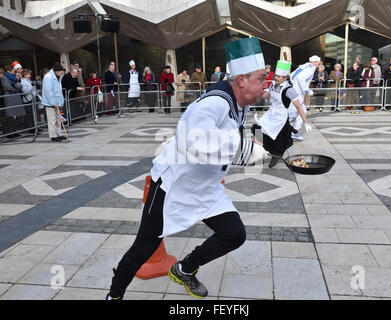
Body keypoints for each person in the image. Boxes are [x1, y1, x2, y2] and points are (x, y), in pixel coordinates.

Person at [106, 37, 270, 301]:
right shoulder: (214, 103)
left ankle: (184, 268)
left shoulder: (240, 102)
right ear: (241, 80)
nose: (266, 84)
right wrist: (248, 151)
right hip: (173, 184)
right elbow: (194, 139)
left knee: (234, 234)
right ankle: (114, 296)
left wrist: (261, 146)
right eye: (261, 78)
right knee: (145, 246)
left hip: (205, 185)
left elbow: (226, 140)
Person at [253, 60, 312, 168]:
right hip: (271, 114)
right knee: (258, 130)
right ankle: (256, 157)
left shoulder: (289, 90)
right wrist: (257, 91)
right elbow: (266, 95)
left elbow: (299, 106)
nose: (276, 78)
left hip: (280, 117)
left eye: (279, 76)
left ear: (285, 77)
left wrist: (305, 122)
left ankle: (275, 155)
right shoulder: (273, 85)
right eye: (276, 75)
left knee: (276, 140)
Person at [288, 55, 320, 141]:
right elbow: (300, 78)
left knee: (303, 111)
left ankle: (294, 131)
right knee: (291, 113)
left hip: (296, 90)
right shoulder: (310, 69)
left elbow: (292, 75)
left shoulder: (305, 65)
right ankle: (277, 129)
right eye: (317, 62)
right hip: (298, 93)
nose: (318, 63)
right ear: (314, 62)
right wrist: (307, 90)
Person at [42, 62, 67, 142]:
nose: (61, 73)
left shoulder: (57, 76)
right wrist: (54, 103)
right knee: (52, 120)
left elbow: (58, 90)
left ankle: (58, 134)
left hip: (57, 102)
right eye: (60, 71)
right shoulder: (48, 77)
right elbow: (49, 92)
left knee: (58, 119)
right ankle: (53, 135)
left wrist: (60, 102)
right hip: (50, 103)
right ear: (56, 71)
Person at [1, 64, 25, 138]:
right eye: (12, 70)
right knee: (10, 116)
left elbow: (20, 86)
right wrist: (16, 87)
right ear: (8, 70)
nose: (14, 71)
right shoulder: (4, 77)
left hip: (16, 97)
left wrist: (16, 84)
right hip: (10, 98)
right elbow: (8, 87)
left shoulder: (15, 77)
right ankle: (9, 132)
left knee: (16, 116)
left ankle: (15, 131)